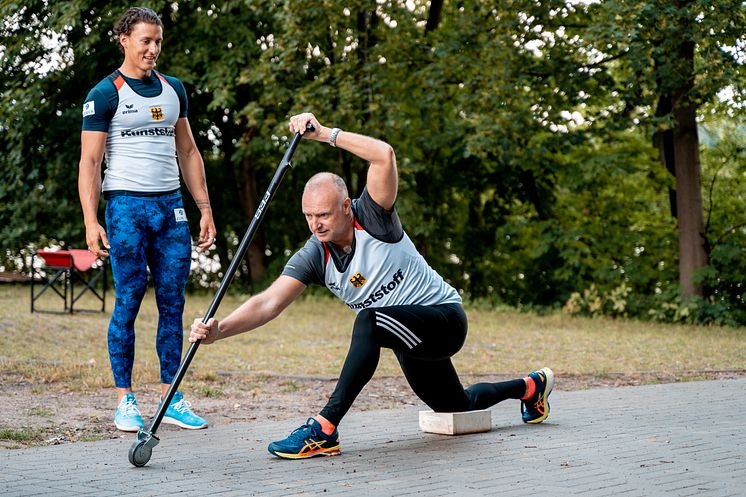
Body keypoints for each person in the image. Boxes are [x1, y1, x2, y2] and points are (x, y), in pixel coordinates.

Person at [189, 112, 554, 459]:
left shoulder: (373, 216)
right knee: (456, 406)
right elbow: (269, 302)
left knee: (369, 320)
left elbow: (384, 155)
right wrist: (220, 330)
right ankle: (530, 388)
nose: (315, 225)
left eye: (324, 215)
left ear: (347, 206)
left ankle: (324, 428)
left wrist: (324, 134)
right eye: (309, 216)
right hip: (408, 336)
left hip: (443, 320)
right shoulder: (316, 254)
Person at [78, 7, 215, 432]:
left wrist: (204, 206)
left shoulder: (174, 90)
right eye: (146, 41)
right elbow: (90, 161)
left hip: (170, 208)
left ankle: (170, 396)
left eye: (158, 41)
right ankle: (125, 400)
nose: (154, 48)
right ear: (124, 39)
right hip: (126, 209)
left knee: (173, 304)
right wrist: (90, 220)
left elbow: (189, 152)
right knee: (130, 299)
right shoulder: (105, 93)